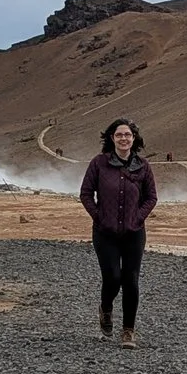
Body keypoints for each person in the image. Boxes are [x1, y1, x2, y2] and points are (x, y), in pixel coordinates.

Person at [79, 117, 157, 347]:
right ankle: (105, 308)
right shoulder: (99, 163)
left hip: (134, 233)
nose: (124, 138)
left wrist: (138, 217)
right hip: (106, 233)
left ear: (134, 139)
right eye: (119, 135)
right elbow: (86, 194)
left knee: (131, 280)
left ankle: (128, 331)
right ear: (112, 138)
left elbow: (151, 197)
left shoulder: (143, 166)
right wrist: (99, 217)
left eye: (128, 135)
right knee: (112, 277)